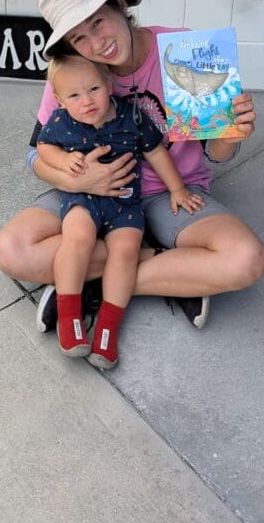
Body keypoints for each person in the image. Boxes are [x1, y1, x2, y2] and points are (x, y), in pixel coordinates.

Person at [0, 0, 264, 333]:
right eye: (79, 38)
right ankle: (176, 271)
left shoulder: (185, 49)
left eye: (98, 22)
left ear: (120, 3)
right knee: (11, 250)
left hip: (170, 195)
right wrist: (77, 182)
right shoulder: (74, 69)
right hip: (90, 194)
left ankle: (83, 285)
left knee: (245, 259)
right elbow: (35, 154)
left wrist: (228, 138)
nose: (95, 43)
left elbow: (212, 155)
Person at [38, 53, 206, 368]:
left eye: (93, 90)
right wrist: (62, 161)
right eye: (74, 95)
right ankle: (70, 314)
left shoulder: (131, 116)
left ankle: (107, 326)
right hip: (83, 199)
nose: (86, 101)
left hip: (125, 204)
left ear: (109, 83)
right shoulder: (61, 122)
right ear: (59, 100)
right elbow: (43, 147)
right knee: (77, 241)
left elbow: (156, 153)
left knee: (126, 252)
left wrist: (178, 189)